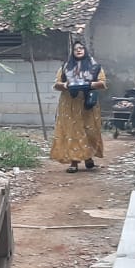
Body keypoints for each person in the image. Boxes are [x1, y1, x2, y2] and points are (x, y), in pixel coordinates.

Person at [51, 40, 108, 173]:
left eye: (81, 48)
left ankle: (88, 158)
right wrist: (67, 85)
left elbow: (102, 83)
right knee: (72, 131)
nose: (79, 50)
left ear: (85, 50)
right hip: (69, 104)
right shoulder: (66, 66)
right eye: (76, 48)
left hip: (87, 104)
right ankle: (74, 162)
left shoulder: (94, 66)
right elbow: (56, 84)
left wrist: (88, 85)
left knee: (89, 129)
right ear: (72, 51)